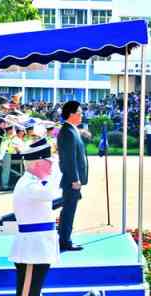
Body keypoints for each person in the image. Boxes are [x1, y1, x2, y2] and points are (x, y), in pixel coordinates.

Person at [9, 138, 59, 296]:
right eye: (49, 161)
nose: (51, 165)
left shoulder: (34, 182)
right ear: (39, 162)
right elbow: (50, 193)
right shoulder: (28, 184)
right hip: (32, 251)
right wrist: (59, 170)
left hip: (39, 249)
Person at [57, 101, 87, 252]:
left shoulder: (72, 130)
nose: (82, 115)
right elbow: (69, 159)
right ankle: (64, 241)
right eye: (79, 113)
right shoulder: (68, 131)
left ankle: (64, 239)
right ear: (71, 114)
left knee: (69, 209)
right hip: (71, 180)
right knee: (68, 210)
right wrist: (75, 179)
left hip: (74, 179)